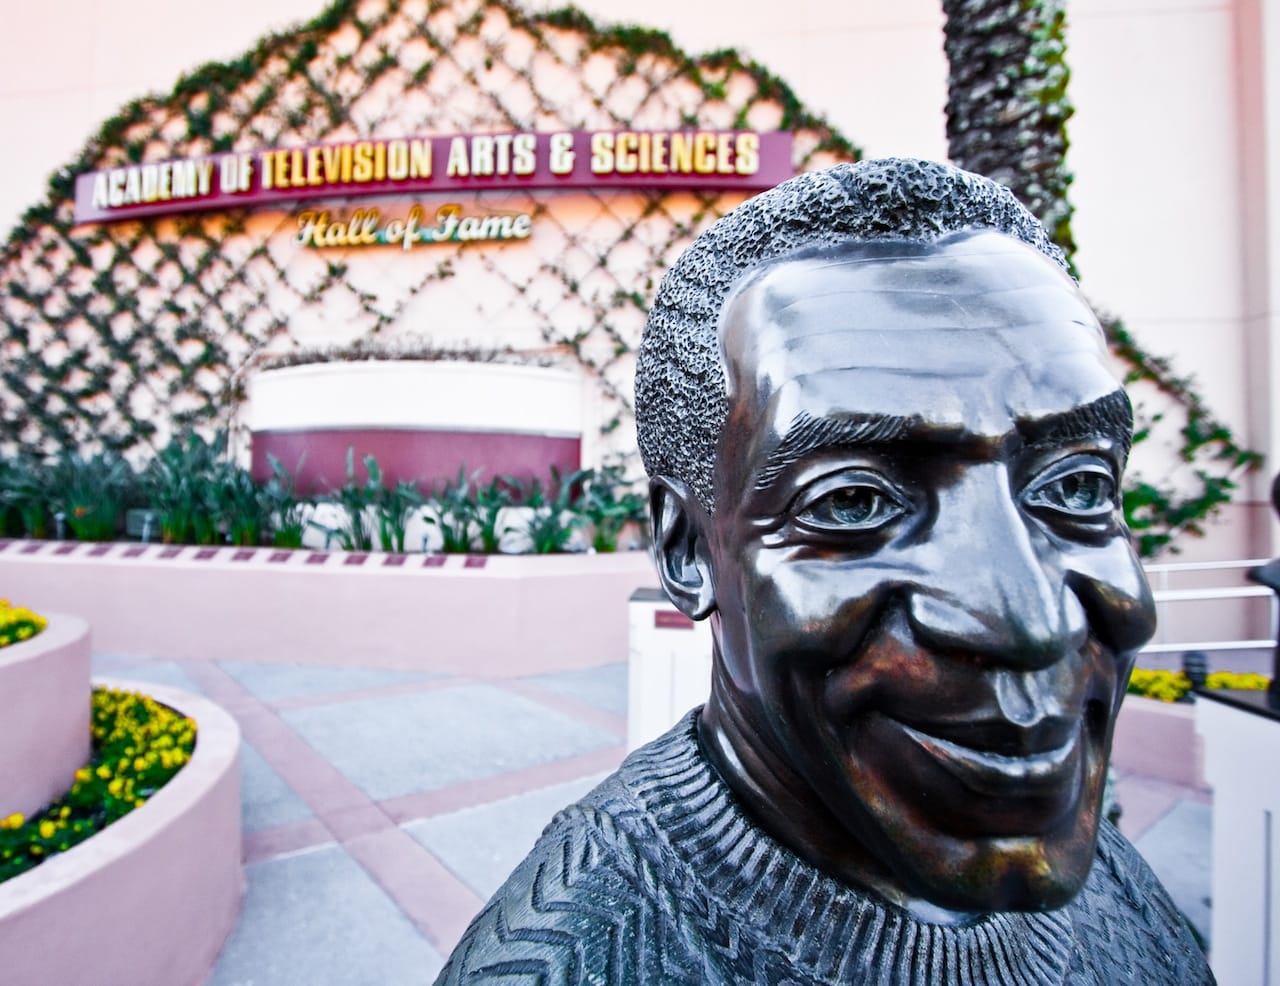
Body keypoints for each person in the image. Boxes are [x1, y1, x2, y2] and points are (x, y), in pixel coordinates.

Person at [434, 159, 1213, 984]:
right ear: (687, 549)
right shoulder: (565, 963)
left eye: (1078, 486)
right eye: (852, 504)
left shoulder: (1120, 889)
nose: (1028, 623)